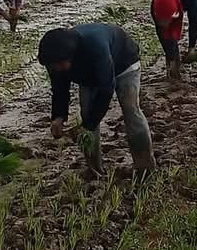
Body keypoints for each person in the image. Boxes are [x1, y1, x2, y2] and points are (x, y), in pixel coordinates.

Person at [38, 23, 155, 176]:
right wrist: (58, 117)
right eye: (54, 66)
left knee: (131, 110)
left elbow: (106, 89)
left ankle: (145, 166)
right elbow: (59, 89)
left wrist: (88, 125)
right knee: (86, 113)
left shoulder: (95, 47)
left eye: (60, 64)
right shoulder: (54, 58)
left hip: (125, 63)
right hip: (89, 76)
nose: (57, 68)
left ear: (72, 55)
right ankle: (94, 169)